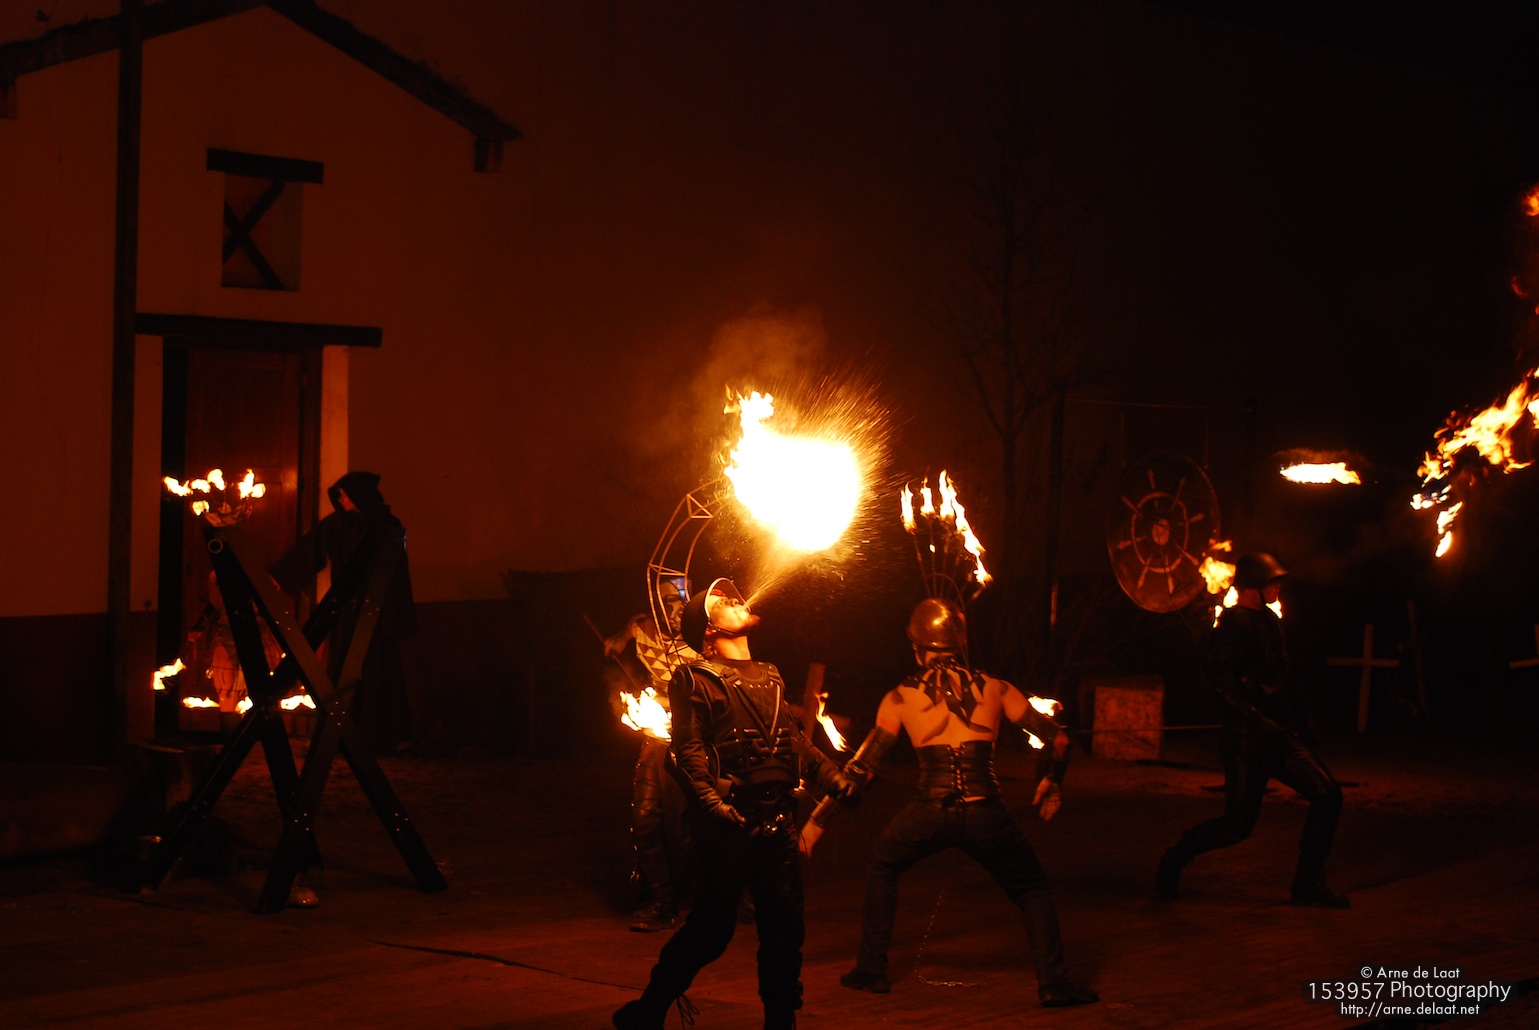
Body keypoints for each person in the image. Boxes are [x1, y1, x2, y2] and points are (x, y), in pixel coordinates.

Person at [803, 597, 1099, 1008]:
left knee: (883, 866)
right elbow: (1060, 740)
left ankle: (871, 971)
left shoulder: (901, 697)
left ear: (916, 648)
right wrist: (1051, 780)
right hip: (985, 811)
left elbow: (862, 771)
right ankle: (1054, 984)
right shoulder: (996, 687)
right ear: (960, 644)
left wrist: (816, 823)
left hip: (929, 812)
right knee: (1032, 888)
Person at [613, 578, 853, 1030]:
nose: (737, 600)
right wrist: (711, 803)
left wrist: (832, 777)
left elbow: (794, 740)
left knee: (785, 930)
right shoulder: (693, 678)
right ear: (709, 630)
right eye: (722, 601)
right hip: (730, 825)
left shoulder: (771, 673)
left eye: (733, 596)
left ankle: (780, 1023)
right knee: (711, 930)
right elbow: (687, 751)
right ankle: (647, 1012)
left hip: (779, 821)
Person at [1154, 552, 1348, 908]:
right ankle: (1174, 859)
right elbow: (1221, 682)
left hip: (1282, 736)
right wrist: (1256, 719)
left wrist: (1300, 719)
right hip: (1246, 739)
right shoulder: (1233, 625)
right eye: (1272, 582)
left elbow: (1280, 678)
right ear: (1255, 586)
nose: (1278, 587)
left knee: (1328, 795)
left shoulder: (1271, 621)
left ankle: (1308, 883)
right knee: (1236, 826)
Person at [271, 471, 418, 755]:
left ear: (359, 495)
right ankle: (339, 736)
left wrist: (393, 614)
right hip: (346, 612)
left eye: (344, 494)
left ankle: (384, 736)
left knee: (380, 672)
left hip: (377, 614)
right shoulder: (338, 525)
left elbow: (397, 574)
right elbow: (310, 548)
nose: (340, 500)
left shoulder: (388, 526)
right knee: (341, 673)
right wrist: (279, 575)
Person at [604, 578, 697, 932]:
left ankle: (704, 899)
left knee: (690, 824)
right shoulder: (642, 627)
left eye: (681, 601)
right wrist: (617, 642)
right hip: (656, 737)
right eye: (667, 601)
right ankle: (661, 902)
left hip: (696, 741)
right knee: (644, 817)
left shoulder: (704, 640)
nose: (675, 609)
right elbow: (624, 634)